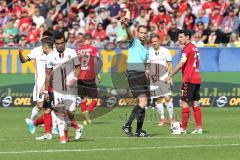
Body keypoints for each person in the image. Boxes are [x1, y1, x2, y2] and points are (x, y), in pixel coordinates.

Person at [44, 31, 83, 143]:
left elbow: (78, 67)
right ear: (54, 44)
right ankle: (63, 136)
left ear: (65, 42)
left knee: (70, 113)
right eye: (57, 43)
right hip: (57, 89)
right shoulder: (50, 56)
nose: (60, 45)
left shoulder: (72, 52)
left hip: (71, 88)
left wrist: (75, 78)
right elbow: (48, 74)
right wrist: (46, 91)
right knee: (60, 111)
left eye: (62, 43)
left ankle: (77, 126)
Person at [19, 31, 58, 135]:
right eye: (44, 39)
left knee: (53, 106)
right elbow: (23, 61)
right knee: (40, 105)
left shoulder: (55, 52)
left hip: (52, 82)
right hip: (40, 83)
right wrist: (20, 53)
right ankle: (31, 121)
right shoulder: (36, 51)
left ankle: (53, 129)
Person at [166, 30, 203, 134]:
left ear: (187, 37)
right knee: (195, 103)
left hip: (189, 79)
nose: (179, 39)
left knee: (184, 103)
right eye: (179, 37)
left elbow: (181, 64)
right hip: (196, 78)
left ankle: (183, 129)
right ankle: (199, 128)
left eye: (181, 37)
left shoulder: (186, 49)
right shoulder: (195, 48)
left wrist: (170, 75)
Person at [121, 18, 149, 137]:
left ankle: (138, 130)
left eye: (144, 33)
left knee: (143, 104)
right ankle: (127, 125)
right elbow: (129, 35)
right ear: (137, 33)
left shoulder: (146, 48)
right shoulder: (134, 42)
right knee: (143, 101)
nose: (143, 35)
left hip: (142, 75)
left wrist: (147, 69)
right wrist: (127, 26)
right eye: (141, 32)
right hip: (133, 73)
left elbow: (146, 62)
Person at [147, 33, 174, 126]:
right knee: (158, 99)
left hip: (164, 77)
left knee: (167, 98)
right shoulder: (149, 51)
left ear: (159, 41)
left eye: (156, 41)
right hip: (153, 79)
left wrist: (170, 77)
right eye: (152, 42)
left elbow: (170, 65)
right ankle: (162, 119)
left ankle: (171, 118)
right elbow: (147, 66)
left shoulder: (166, 51)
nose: (154, 43)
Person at [76, 33, 102, 125]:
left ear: (83, 40)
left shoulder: (78, 50)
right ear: (90, 40)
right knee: (95, 98)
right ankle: (88, 111)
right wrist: (98, 75)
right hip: (89, 76)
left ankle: (86, 119)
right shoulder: (93, 49)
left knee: (83, 99)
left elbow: (76, 64)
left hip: (80, 77)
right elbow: (95, 63)